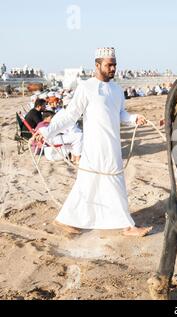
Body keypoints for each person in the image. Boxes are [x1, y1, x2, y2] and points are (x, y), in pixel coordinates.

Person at [34, 47, 151, 237]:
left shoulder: (117, 89)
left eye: (114, 65)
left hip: (112, 145)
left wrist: (134, 118)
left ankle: (64, 219)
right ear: (97, 65)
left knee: (88, 185)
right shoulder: (86, 88)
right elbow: (70, 116)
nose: (113, 68)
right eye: (109, 65)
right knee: (111, 181)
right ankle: (128, 226)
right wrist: (47, 131)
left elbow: (120, 113)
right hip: (94, 147)